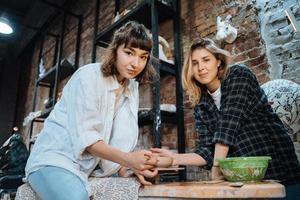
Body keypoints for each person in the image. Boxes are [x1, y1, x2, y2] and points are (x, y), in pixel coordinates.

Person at [151, 38, 300, 199]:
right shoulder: (201, 104)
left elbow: (228, 124)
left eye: (206, 60)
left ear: (218, 62)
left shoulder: (239, 74)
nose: (201, 67)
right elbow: (207, 151)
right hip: (243, 182)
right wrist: (173, 159)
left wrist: (217, 167)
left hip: (278, 172)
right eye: (195, 63)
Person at [25, 21, 159, 200]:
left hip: (84, 168)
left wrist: (128, 167)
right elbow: (88, 140)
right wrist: (128, 159)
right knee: (77, 197)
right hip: (52, 159)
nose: (136, 63)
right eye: (129, 53)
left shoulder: (131, 87)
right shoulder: (88, 76)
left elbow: (113, 137)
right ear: (115, 50)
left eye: (143, 57)